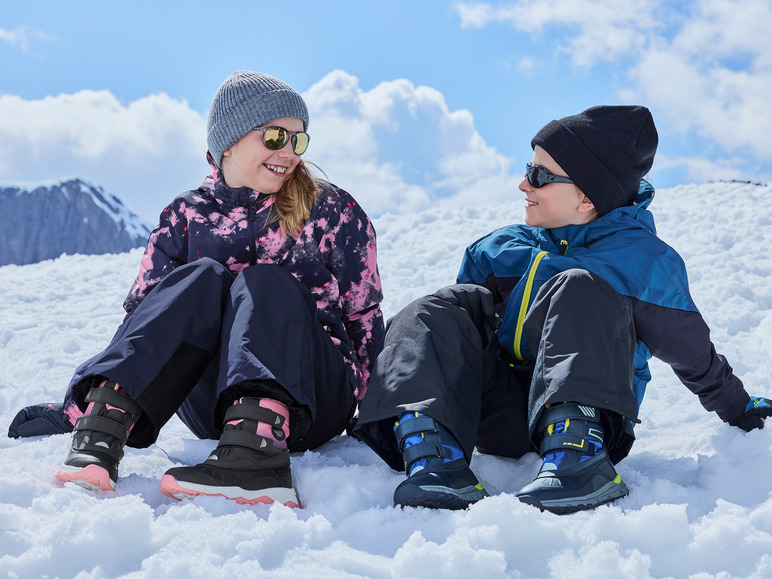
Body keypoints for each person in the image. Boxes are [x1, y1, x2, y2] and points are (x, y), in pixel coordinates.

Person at [353, 105, 772, 514]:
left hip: (591, 413)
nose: (523, 185)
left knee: (578, 286)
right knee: (436, 308)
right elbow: (452, 339)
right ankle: (434, 456)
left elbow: (692, 352)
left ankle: (581, 465)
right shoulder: (501, 248)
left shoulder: (641, 262)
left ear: (586, 197)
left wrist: (739, 408)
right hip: (500, 414)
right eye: (527, 169)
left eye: (539, 176)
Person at [8, 70, 385, 507]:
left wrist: (378, 415)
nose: (289, 152)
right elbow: (144, 322)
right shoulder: (185, 215)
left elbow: (364, 317)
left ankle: (258, 458)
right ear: (230, 138)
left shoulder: (330, 210)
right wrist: (75, 407)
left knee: (263, 283)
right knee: (199, 277)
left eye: (299, 140)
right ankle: (103, 428)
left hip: (312, 402)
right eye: (276, 136)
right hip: (213, 406)